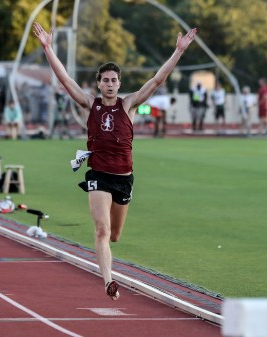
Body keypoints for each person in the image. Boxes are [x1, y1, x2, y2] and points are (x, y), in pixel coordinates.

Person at [33, 22, 196, 300]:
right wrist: (48, 48)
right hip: (98, 175)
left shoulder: (129, 104)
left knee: (115, 235)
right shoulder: (89, 105)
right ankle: (109, 280)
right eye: (105, 80)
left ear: (119, 83)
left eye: (113, 80)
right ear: (99, 83)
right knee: (101, 229)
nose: (109, 84)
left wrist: (178, 52)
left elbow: (157, 80)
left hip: (123, 178)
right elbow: (65, 80)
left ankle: (109, 261)